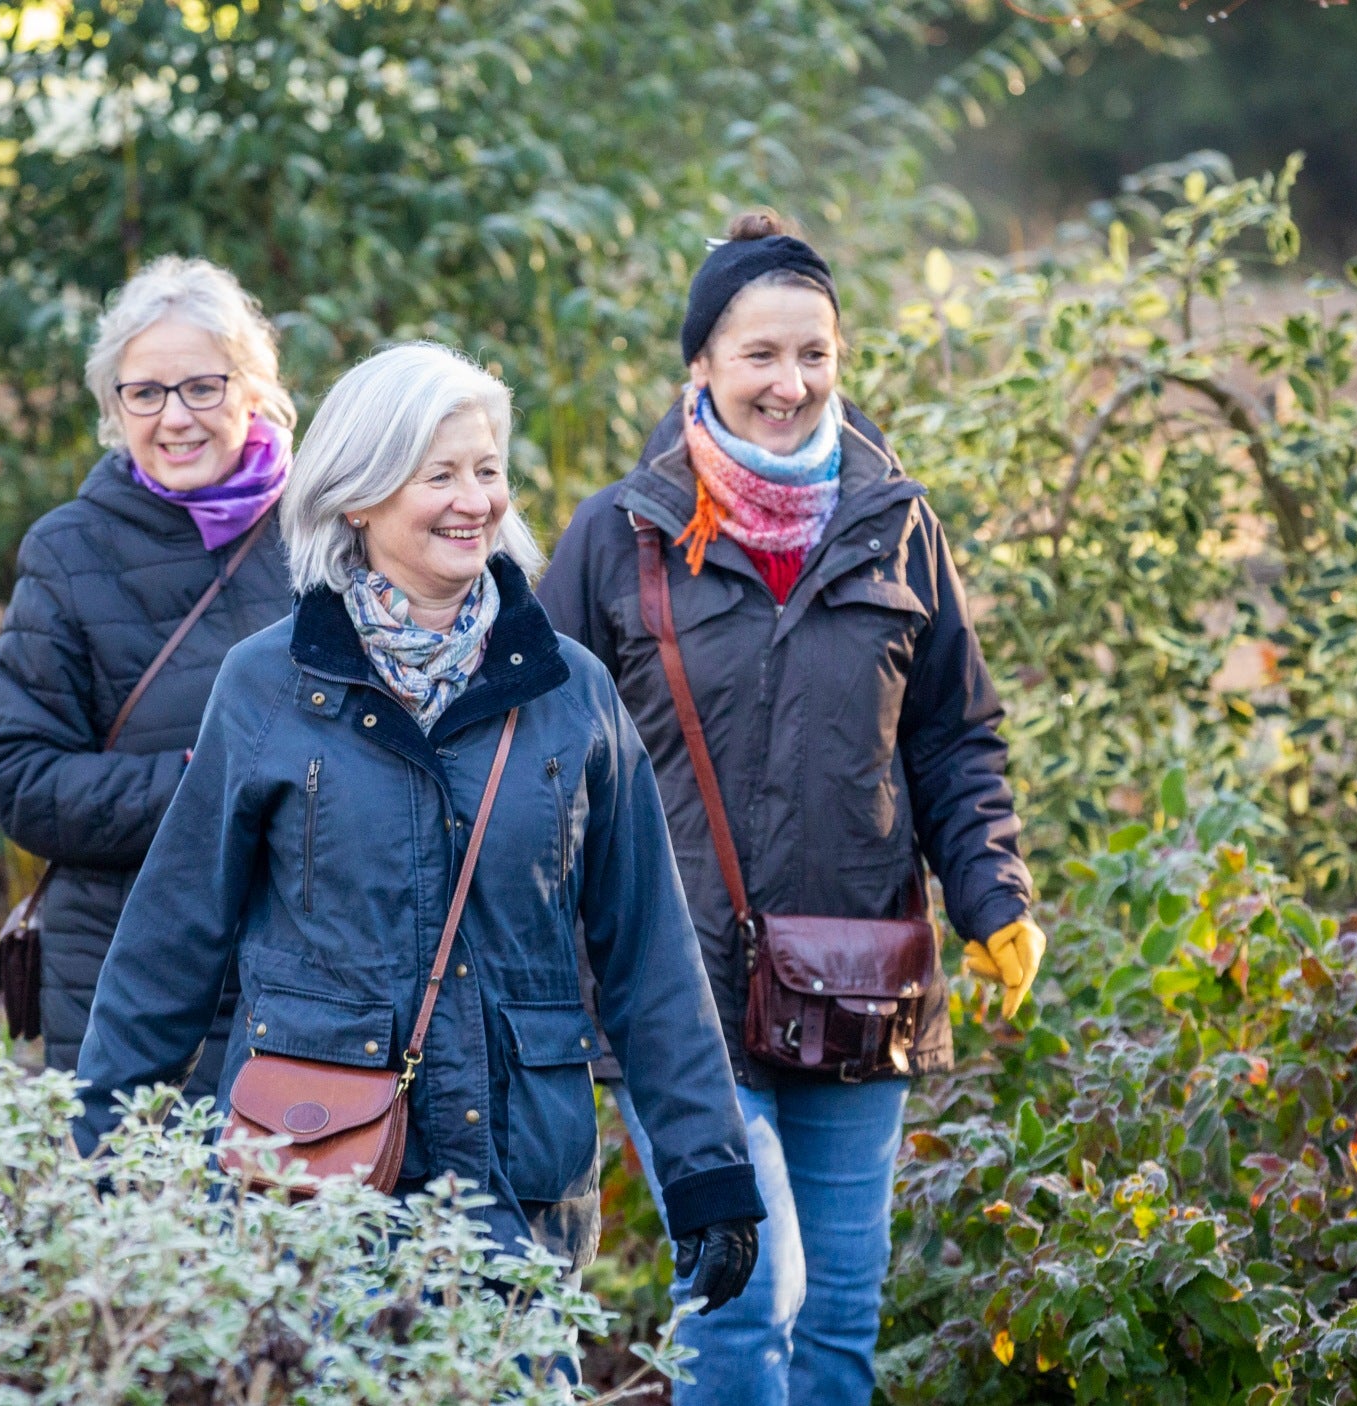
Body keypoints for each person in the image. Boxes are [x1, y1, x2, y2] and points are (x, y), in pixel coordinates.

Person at [72, 342, 764, 1298]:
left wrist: (708, 1175)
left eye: (487, 471)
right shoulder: (270, 687)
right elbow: (172, 937)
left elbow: (650, 951)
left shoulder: (571, 693)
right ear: (359, 495)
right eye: (438, 474)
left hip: (519, 1191)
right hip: (313, 1186)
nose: (474, 500)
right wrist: (100, 1147)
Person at [538, 212, 1045, 1406]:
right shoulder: (621, 538)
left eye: (813, 353)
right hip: (676, 986)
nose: (790, 382)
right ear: (699, 370)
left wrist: (992, 895)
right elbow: (540, 757)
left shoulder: (898, 524)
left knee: (836, 1319)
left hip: (859, 976)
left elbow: (950, 736)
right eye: (759, 355)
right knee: (744, 1294)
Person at [0, 256, 298, 1090]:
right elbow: (20, 781)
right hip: (124, 982)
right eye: (144, 393)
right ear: (114, 407)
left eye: (202, 386)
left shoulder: (326, 537)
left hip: (300, 972)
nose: (175, 417)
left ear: (251, 387)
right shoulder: (68, 550)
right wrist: (205, 787)